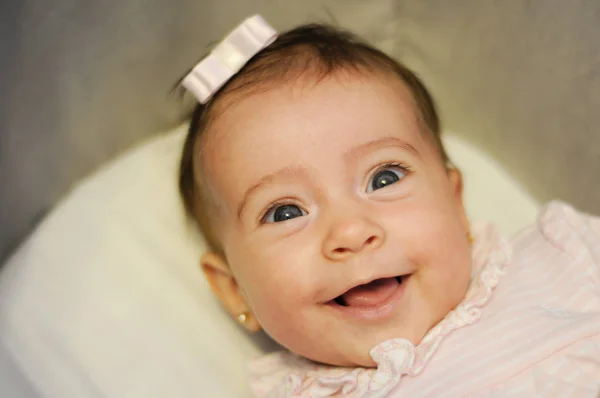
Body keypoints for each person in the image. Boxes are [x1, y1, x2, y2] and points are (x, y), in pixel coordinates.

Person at [178, 15, 600, 397]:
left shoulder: (563, 257)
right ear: (235, 290)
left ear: (456, 205)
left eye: (384, 178)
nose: (351, 231)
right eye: (286, 212)